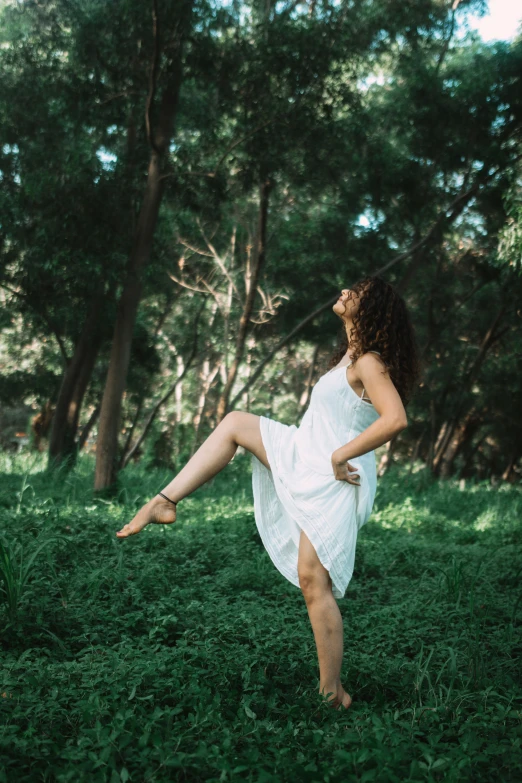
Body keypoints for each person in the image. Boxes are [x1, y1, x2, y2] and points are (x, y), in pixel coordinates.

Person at [116, 274, 421, 712]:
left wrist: (341, 455)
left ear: (370, 308)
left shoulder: (369, 361)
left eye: (357, 290)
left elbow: (395, 419)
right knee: (237, 423)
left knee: (314, 581)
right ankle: (165, 499)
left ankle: (332, 693)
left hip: (336, 475)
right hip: (307, 452)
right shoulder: (348, 358)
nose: (345, 291)